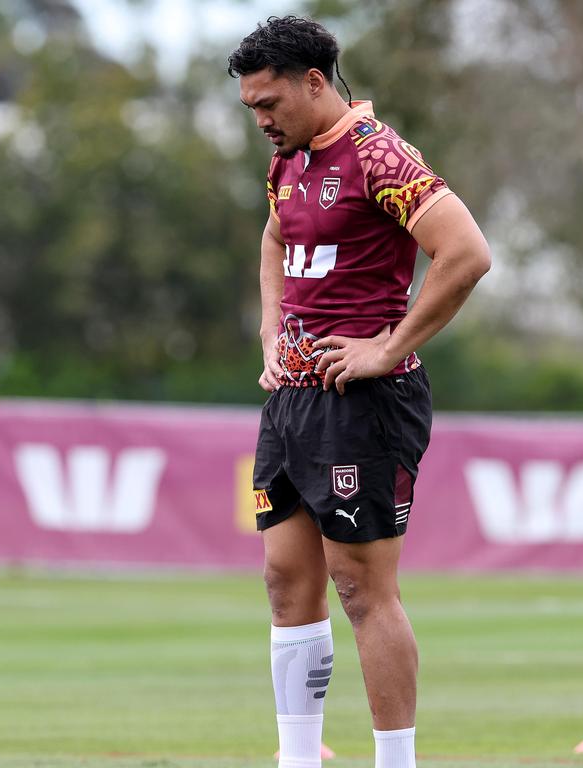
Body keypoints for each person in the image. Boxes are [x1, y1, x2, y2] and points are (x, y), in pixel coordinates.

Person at [228, 16, 490, 768]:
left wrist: (388, 347)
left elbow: (466, 253)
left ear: (315, 82)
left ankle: (395, 764)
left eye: (269, 102)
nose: (261, 120)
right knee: (285, 580)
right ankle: (298, 759)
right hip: (292, 399)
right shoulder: (289, 160)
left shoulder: (378, 155)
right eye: (250, 107)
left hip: (364, 404)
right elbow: (276, 237)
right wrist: (271, 333)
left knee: (361, 587)